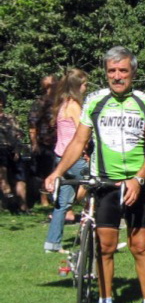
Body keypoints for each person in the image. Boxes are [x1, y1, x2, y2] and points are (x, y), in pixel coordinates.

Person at [45, 46, 145, 303]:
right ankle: (105, 301)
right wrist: (57, 172)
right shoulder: (95, 101)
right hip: (105, 184)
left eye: (123, 70)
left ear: (133, 72)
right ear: (106, 72)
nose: (117, 76)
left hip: (135, 183)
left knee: (140, 247)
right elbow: (78, 142)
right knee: (105, 247)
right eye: (112, 71)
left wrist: (139, 179)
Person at [44, 69, 89, 253]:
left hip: (60, 158)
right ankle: (98, 239)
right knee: (97, 189)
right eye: (84, 84)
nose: (86, 87)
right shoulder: (75, 106)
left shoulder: (62, 105)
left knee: (61, 205)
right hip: (74, 159)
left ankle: (52, 244)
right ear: (77, 86)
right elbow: (83, 133)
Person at [29, 74, 57, 207]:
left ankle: (56, 197)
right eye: (51, 85)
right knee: (45, 172)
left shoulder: (60, 102)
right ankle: (44, 198)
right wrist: (34, 143)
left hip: (60, 143)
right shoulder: (39, 103)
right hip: (44, 143)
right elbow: (32, 125)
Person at [0, 90, 28, 213]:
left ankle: (23, 206)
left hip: (12, 150)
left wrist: (17, 149)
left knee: (20, 179)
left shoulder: (10, 118)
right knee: (3, 177)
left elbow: (18, 135)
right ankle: (10, 204)